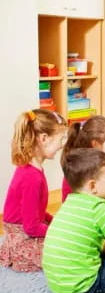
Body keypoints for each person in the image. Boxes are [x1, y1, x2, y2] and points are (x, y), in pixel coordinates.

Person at [43, 148, 105, 293]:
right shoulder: (101, 209)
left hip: (58, 283)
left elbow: (93, 244)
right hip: (85, 285)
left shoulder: (70, 202)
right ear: (92, 186)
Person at [0, 109, 67, 272]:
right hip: (23, 236)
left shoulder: (33, 169)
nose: (62, 144)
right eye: (61, 139)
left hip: (27, 227)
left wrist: (54, 222)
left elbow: (37, 212)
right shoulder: (32, 178)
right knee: (69, 250)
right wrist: (58, 231)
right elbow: (31, 227)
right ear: (44, 139)